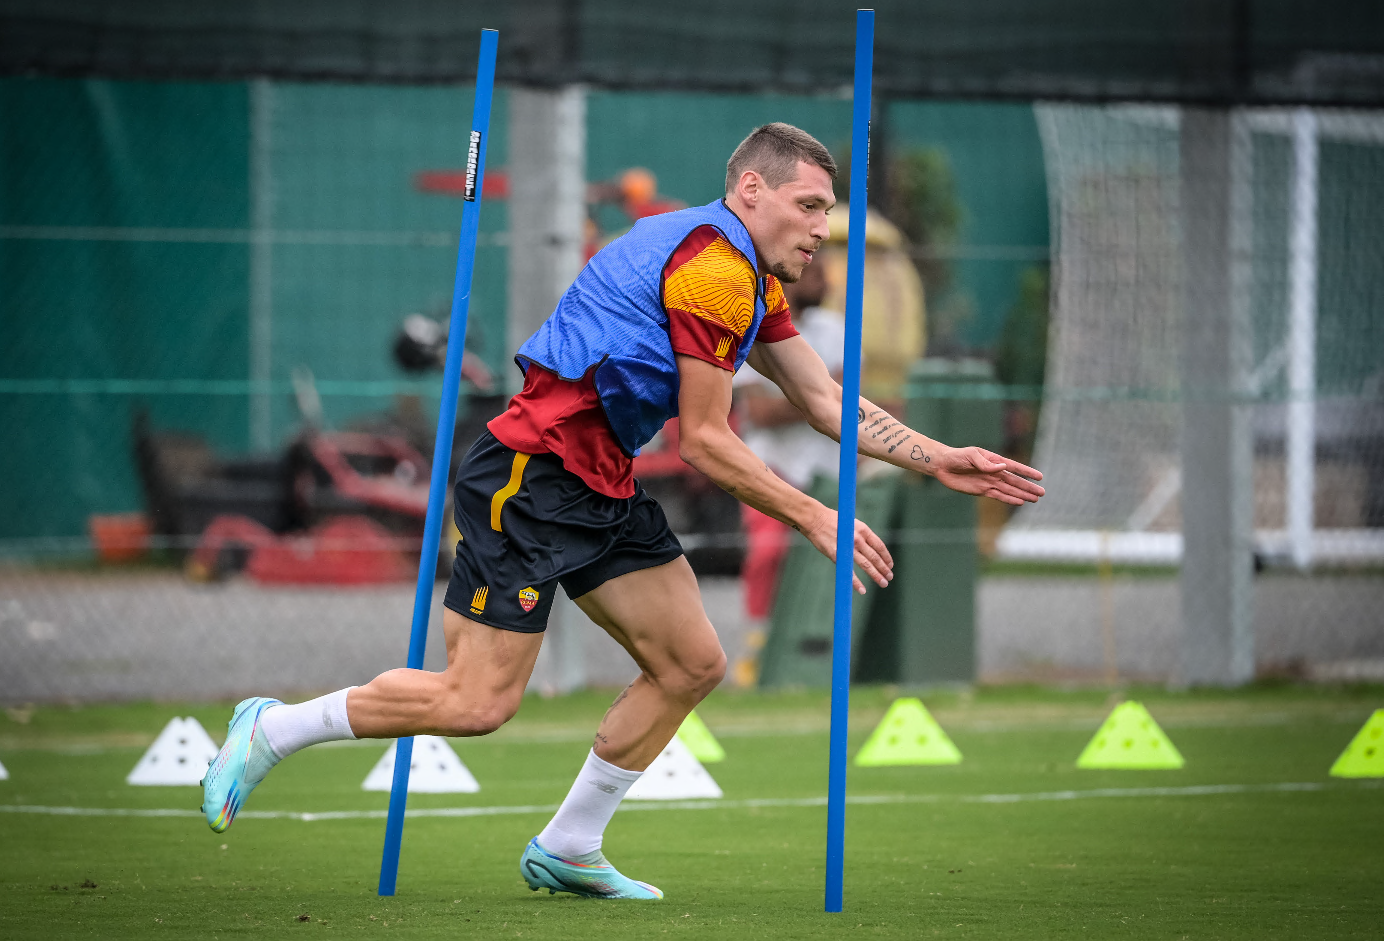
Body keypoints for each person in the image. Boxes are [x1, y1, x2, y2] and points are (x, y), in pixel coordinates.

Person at [201, 123, 1044, 900]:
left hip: (599, 479)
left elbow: (824, 398)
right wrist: (813, 515)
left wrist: (940, 459)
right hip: (528, 480)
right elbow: (708, 442)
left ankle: (568, 846)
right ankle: (272, 728)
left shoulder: (748, 272)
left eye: (829, 208)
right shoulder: (714, 271)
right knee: (475, 703)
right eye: (810, 204)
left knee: (690, 661)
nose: (825, 228)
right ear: (752, 189)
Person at [732, 253, 844, 619]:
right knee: (769, 554)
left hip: (825, 471)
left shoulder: (836, 328)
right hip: (771, 467)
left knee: (822, 562)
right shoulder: (752, 326)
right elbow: (760, 413)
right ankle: (758, 638)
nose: (825, 283)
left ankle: (805, 647)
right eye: (815, 274)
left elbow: (842, 400)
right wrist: (816, 403)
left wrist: (807, 403)